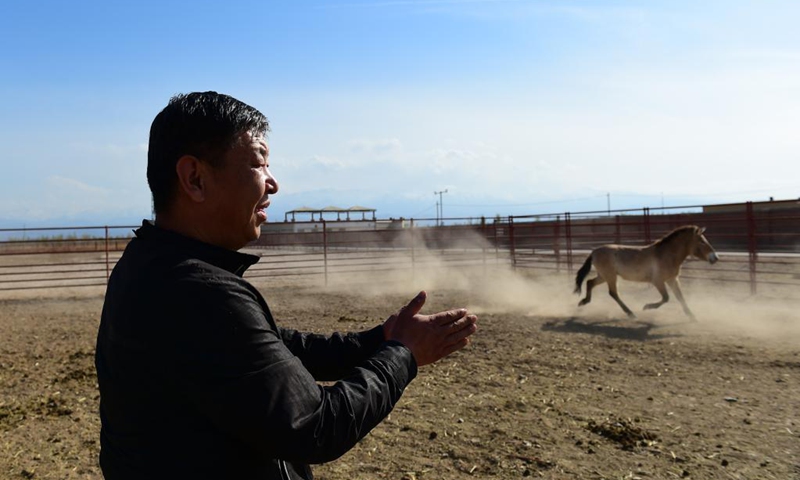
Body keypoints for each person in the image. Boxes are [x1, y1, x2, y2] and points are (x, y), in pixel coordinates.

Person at [94, 91, 478, 480]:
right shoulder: (196, 290)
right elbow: (315, 425)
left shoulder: (148, 264)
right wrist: (403, 354)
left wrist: (381, 339)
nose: (273, 183)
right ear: (195, 178)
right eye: (259, 163)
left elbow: (271, 347)